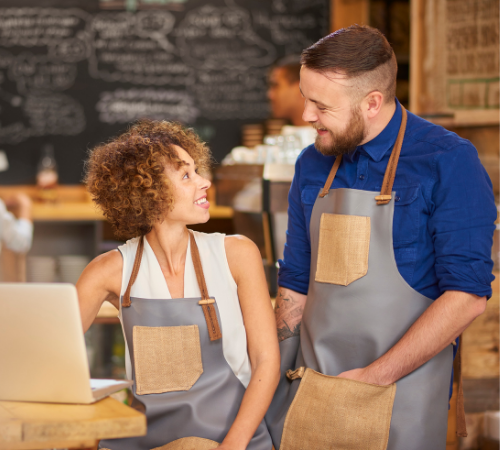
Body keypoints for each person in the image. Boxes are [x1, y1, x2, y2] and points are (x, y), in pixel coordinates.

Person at [266, 25, 496, 450]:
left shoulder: (447, 161)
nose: (306, 116)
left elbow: (466, 296)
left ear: (372, 103)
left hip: (402, 395)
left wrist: (371, 380)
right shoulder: (311, 163)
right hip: (314, 388)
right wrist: (271, 377)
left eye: (320, 105)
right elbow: (296, 280)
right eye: (304, 98)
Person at [77, 120, 279, 450]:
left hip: (234, 439)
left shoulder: (237, 254)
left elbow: (266, 361)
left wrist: (234, 444)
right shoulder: (110, 271)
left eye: (197, 170)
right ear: (149, 193)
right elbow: (56, 356)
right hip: (147, 442)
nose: (205, 182)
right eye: (186, 176)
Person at [267, 56, 309, 127]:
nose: (270, 95)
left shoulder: (329, 136)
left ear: (301, 88)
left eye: (276, 86)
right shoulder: (288, 135)